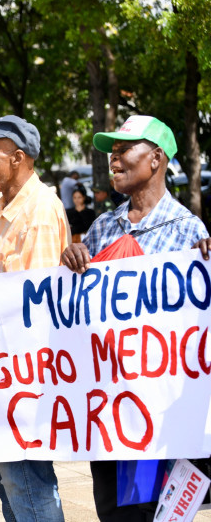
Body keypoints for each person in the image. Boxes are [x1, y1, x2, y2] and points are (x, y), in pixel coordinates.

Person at [60, 115, 210, 522]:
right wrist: (70, 261)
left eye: (126, 149)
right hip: (105, 407)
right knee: (111, 509)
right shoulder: (101, 229)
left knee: (148, 510)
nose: (115, 157)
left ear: (157, 158)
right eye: (112, 150)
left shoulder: (188, 232)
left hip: (159, 411)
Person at [0, 99, 70, 522]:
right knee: (14, 489)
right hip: (2, 375)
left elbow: (35, 312)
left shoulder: (39, 213)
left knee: (28, 489)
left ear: (19, 158)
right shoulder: (10, 204)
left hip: (21, 381)